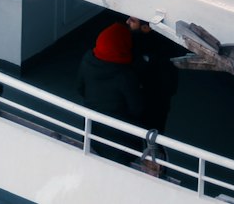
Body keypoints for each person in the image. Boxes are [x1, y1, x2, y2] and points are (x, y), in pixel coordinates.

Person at [76, 21, 144, 161]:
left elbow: (80, 88)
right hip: (120, 139)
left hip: (92, 129)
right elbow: (137, 109)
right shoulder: (125, 76)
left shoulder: (87, 59)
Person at [126, 16, 179, 134]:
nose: (127, 21)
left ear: (145, 27)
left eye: (133, 20)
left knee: (151, 129)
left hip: (154, 100)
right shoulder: (160, 44)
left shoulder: (157, 50)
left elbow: (167, 81)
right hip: (156, 98)